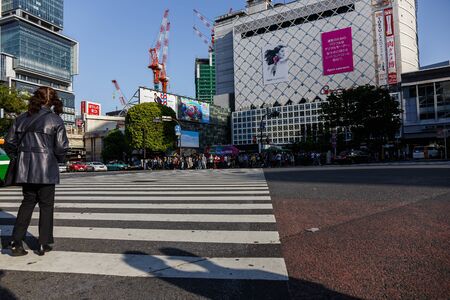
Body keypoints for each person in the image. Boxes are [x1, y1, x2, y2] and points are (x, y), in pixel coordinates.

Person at [5, 86, 69, 256]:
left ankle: (16, 241)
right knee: (46, 206)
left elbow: (9, 142)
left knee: (27, 204)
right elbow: (62, 147)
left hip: (26, 169)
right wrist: (58, 160)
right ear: (52, 101)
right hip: (46, 168)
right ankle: (43, 243)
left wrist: (19, 157)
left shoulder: (21, 119)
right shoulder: (55, 120)